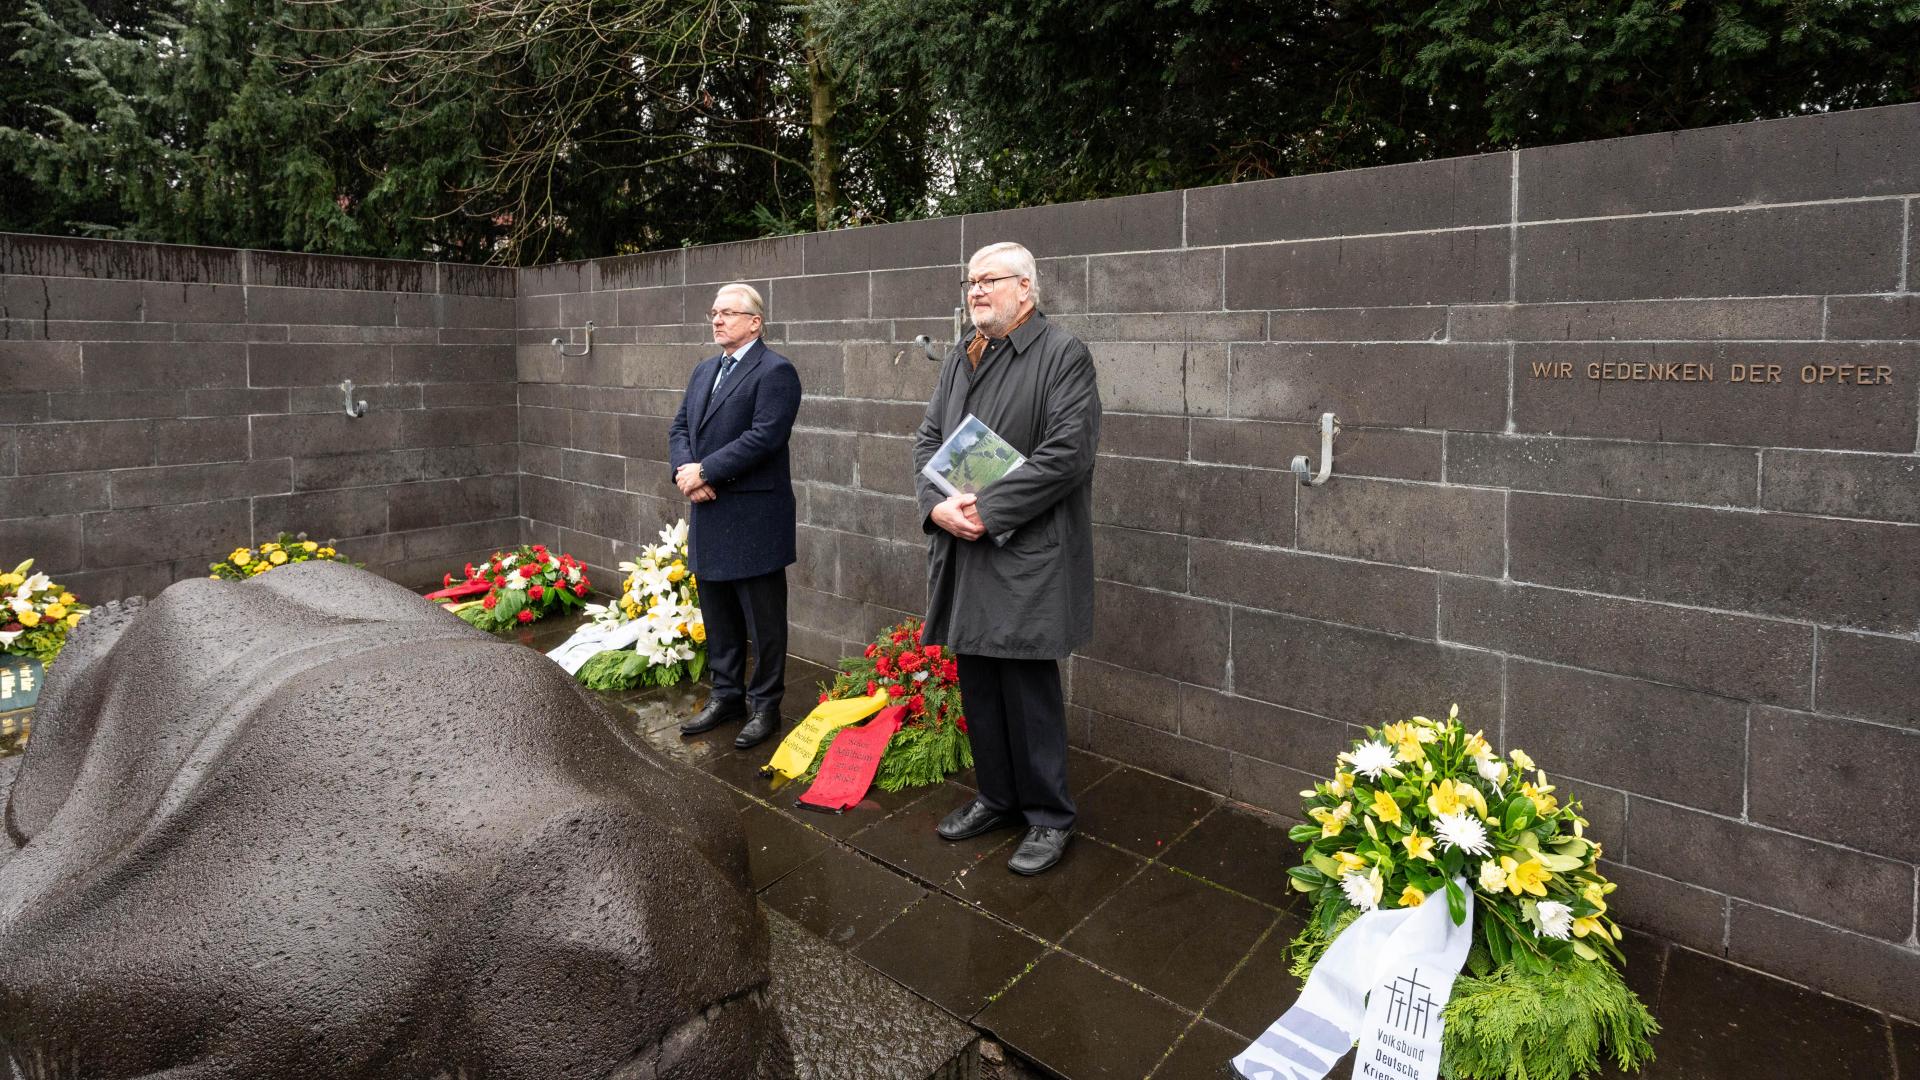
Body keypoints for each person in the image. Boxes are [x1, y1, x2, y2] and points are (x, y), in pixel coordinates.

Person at [914, 242, 1101, 876]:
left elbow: (1067, 455)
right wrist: (933, 506)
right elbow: (927, 440)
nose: (975, 291)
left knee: (1025, 685)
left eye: (988, 280)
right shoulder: (962, 355)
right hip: (963, 549)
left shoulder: (1063, 355)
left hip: (1025, 553)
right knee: (980, 683)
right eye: (969, 282)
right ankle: (996, 796)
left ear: (1026, 289)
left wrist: (984, 509)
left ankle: (1050, 817)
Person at [669, 283, 802, 750]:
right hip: (708, 509)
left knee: (764, 622)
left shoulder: (776, 371)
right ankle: (726, 696)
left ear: (755, 322)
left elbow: (765, 436)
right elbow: (681, 426)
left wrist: (705, 470)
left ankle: (765, 705)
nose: (717, 320)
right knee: (718, 613)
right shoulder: (705, 370)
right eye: (714, 313)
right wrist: (686, 473)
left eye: (728, 313)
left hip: (753, 517)